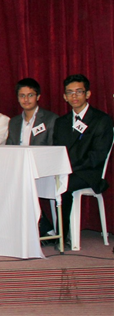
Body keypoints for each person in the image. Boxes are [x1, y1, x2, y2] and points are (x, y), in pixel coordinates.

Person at [50, 74, 114, 240]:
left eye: (79, 91)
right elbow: (57, 151)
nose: (74, 96)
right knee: (36, 182)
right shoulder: (61, 122)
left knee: (63, 185)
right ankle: (45, 229)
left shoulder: (101, 120)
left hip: (89, 172)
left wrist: (69, 169)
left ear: (88, 94)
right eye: (70, 92)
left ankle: (61, 236)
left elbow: (98, 155)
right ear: (64, 97)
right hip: (66, 170)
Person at [5, 78, 59, 146]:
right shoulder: (13, 122)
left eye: (30, 95)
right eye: (22, 96)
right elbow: (9, 148)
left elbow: (53, 148)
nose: (26, 99)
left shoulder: (50, 119)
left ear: (38, 97)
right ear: (18, 98)